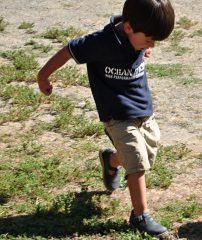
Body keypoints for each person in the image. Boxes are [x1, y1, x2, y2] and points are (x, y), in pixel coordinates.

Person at [37, 0, 175, 238]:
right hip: (117, 114)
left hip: (143, 109)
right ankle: (140, 216)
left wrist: (144, 47)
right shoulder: (101, 43)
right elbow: (69, 50)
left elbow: (142, 42)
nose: (151, 45)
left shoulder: (136, 32)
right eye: (149, 39)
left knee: (147, 152)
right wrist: (43, 76)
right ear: (129, 28)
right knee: (137, 162)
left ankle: (111, 161)